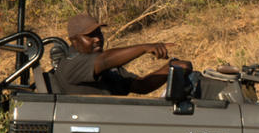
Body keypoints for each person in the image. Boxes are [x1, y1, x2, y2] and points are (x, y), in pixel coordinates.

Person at [50, 14, 182, 96]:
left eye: (99, 33)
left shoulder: (107, 67)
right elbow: (104, 60)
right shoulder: (69, 64)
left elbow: (141, 86)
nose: (97, 39)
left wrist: (171, 69)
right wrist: (144, 48)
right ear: (73, 41)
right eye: (89, 36)